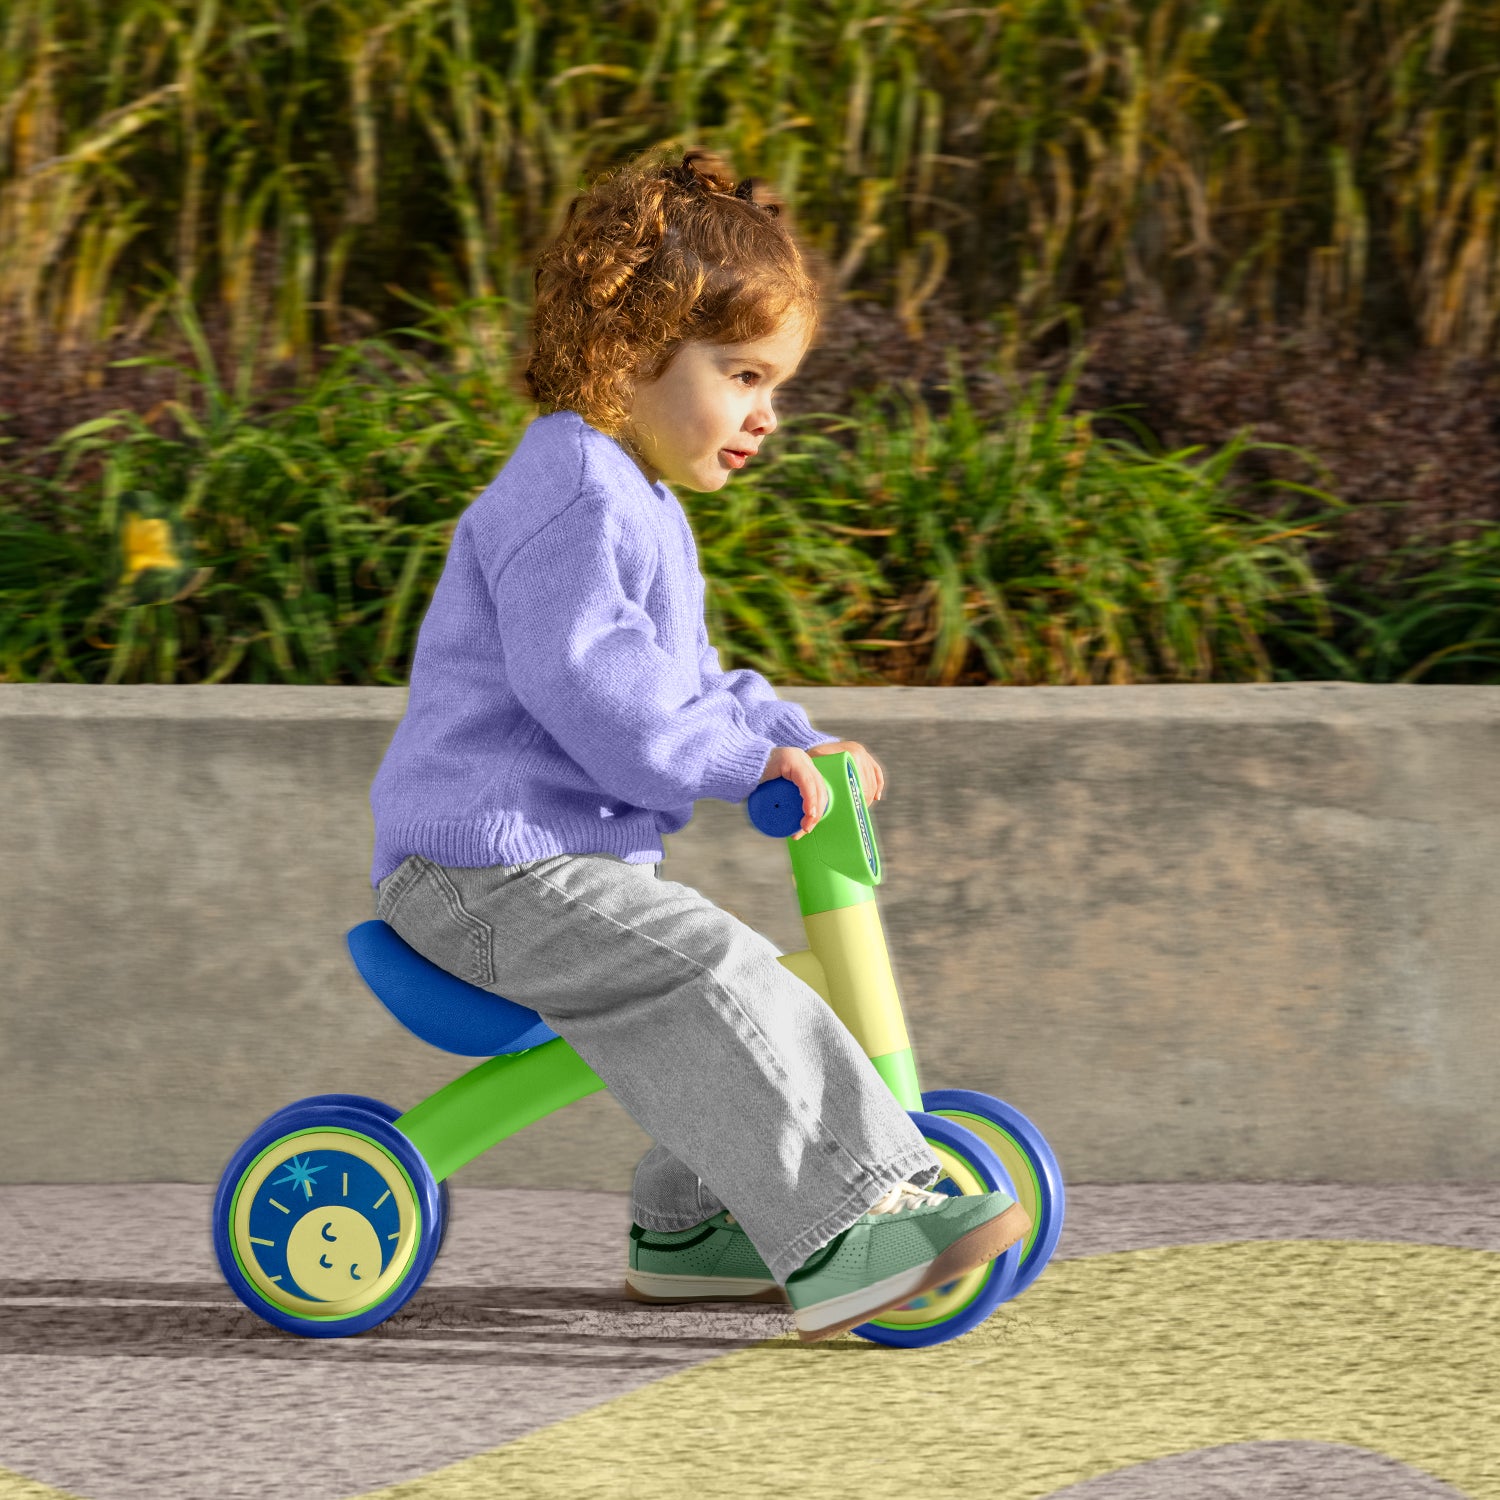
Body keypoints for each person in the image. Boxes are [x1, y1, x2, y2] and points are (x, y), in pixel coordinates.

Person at [368, 145, 1029, 1342]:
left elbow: (686, 681)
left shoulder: (635, 497)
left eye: (777, 383)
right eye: (745, 375)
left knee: (724, 984)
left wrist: (789, 736)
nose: (768, 415)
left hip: (545, 872)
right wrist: (738, 769)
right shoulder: (570, 489)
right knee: (707, 969)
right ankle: (843, 1230)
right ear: (634, 348)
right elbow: (601, 694)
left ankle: (694, 1225)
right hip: (481, 872)